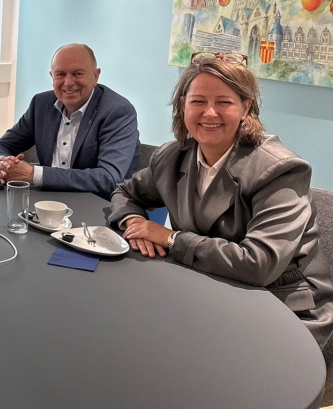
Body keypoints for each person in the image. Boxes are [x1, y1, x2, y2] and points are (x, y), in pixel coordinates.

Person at [108, 52, 333, 347]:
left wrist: (171, 238)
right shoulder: (170, 156)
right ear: (183, 107)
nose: (209, 113)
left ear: (245, 108)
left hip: (279, 306)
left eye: (224, 102)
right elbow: (125, 192)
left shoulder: (280, 170)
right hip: (202, 287)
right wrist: (134, 220)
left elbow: (258, 263)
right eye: (198, 101)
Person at [0, 43, 140, 200]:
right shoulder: (41, 104)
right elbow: (2, 145)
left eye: (78, 73)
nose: (68, 82)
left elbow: (108, 178)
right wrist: (3, 165)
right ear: (52, 76)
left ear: (95, 76)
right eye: (60, 74)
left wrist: (33, 174)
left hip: (100, 207)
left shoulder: (117, 111)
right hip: (48, 201)